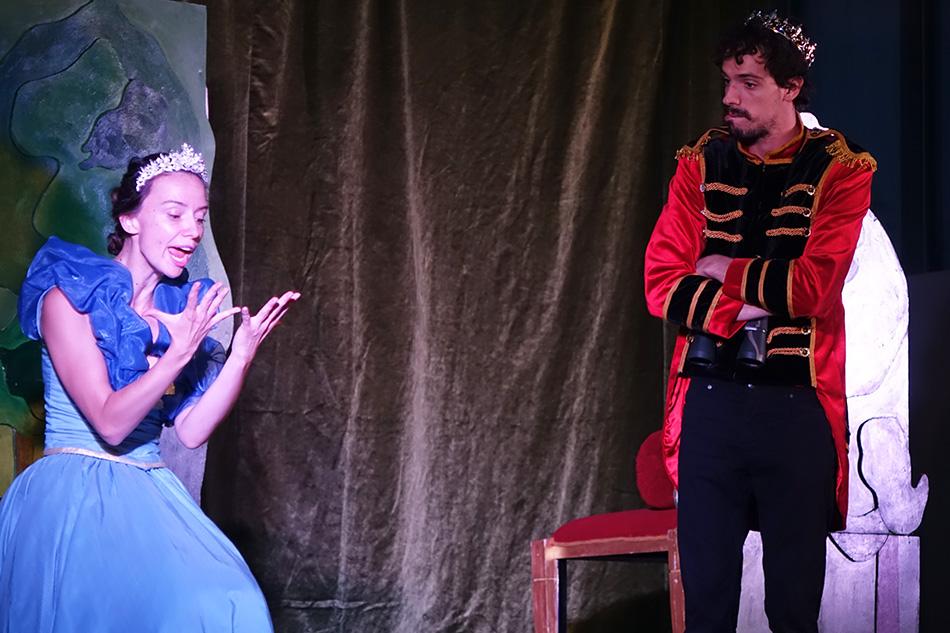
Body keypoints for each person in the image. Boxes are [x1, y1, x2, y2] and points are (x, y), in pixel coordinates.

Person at [0, 143, 298, 632]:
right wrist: (176, 354)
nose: (192, 231)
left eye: (199, 218)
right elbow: (110, 423)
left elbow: (192, 430)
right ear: (130, 220)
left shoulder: (178, 313)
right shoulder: (68, 298)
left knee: (227, 602)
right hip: (73, 495)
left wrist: (241, 356)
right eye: (175, 214)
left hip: (147, 487)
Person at [643, 11, 876, 633]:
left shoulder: (842, 169)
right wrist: (751, 305)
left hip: (793, 408)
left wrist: (722, 266)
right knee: (707, 606)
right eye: (728, 81)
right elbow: (661, 284)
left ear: (790, 87)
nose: (730, 97)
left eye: (748, 82)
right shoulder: (700, 163)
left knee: (794, 608)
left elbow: (815, 288)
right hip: (710, 404)